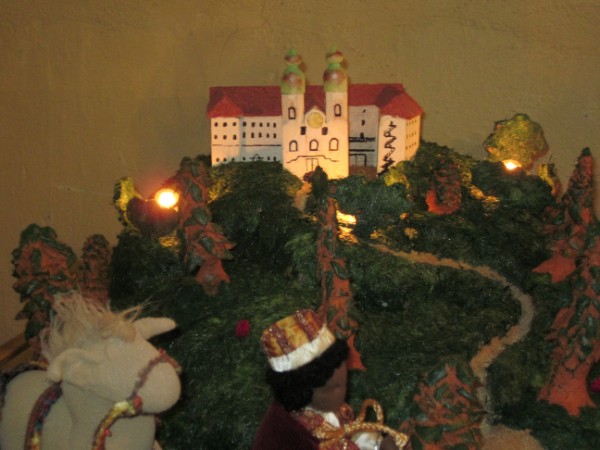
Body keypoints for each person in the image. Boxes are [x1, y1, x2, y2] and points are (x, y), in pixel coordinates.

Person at [252, 309, 406, 450]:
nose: (340, 393)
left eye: (342, 385)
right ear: (301, 391)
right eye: (329, 389)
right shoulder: (291, 435)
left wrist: (377, 445)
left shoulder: (326, 410)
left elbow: (347, 434)